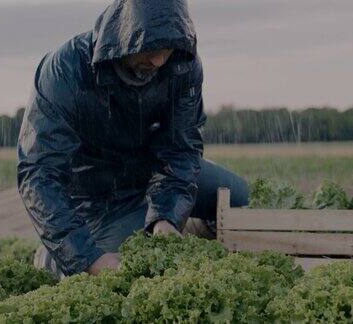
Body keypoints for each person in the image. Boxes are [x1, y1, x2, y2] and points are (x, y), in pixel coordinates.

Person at [17, 0, 248, 279]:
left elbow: (182, 150)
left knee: (241, 198)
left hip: (155, 175)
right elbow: (39, 174)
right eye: (152, 48)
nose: (160, 60)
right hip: (100, 198)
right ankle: (55, 256)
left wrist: (166, 216)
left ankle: (173, 227)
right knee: (124, 276)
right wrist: (89, 259)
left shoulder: (182, 64)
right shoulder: (65, 71)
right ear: (124, 36)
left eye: (168, 49)